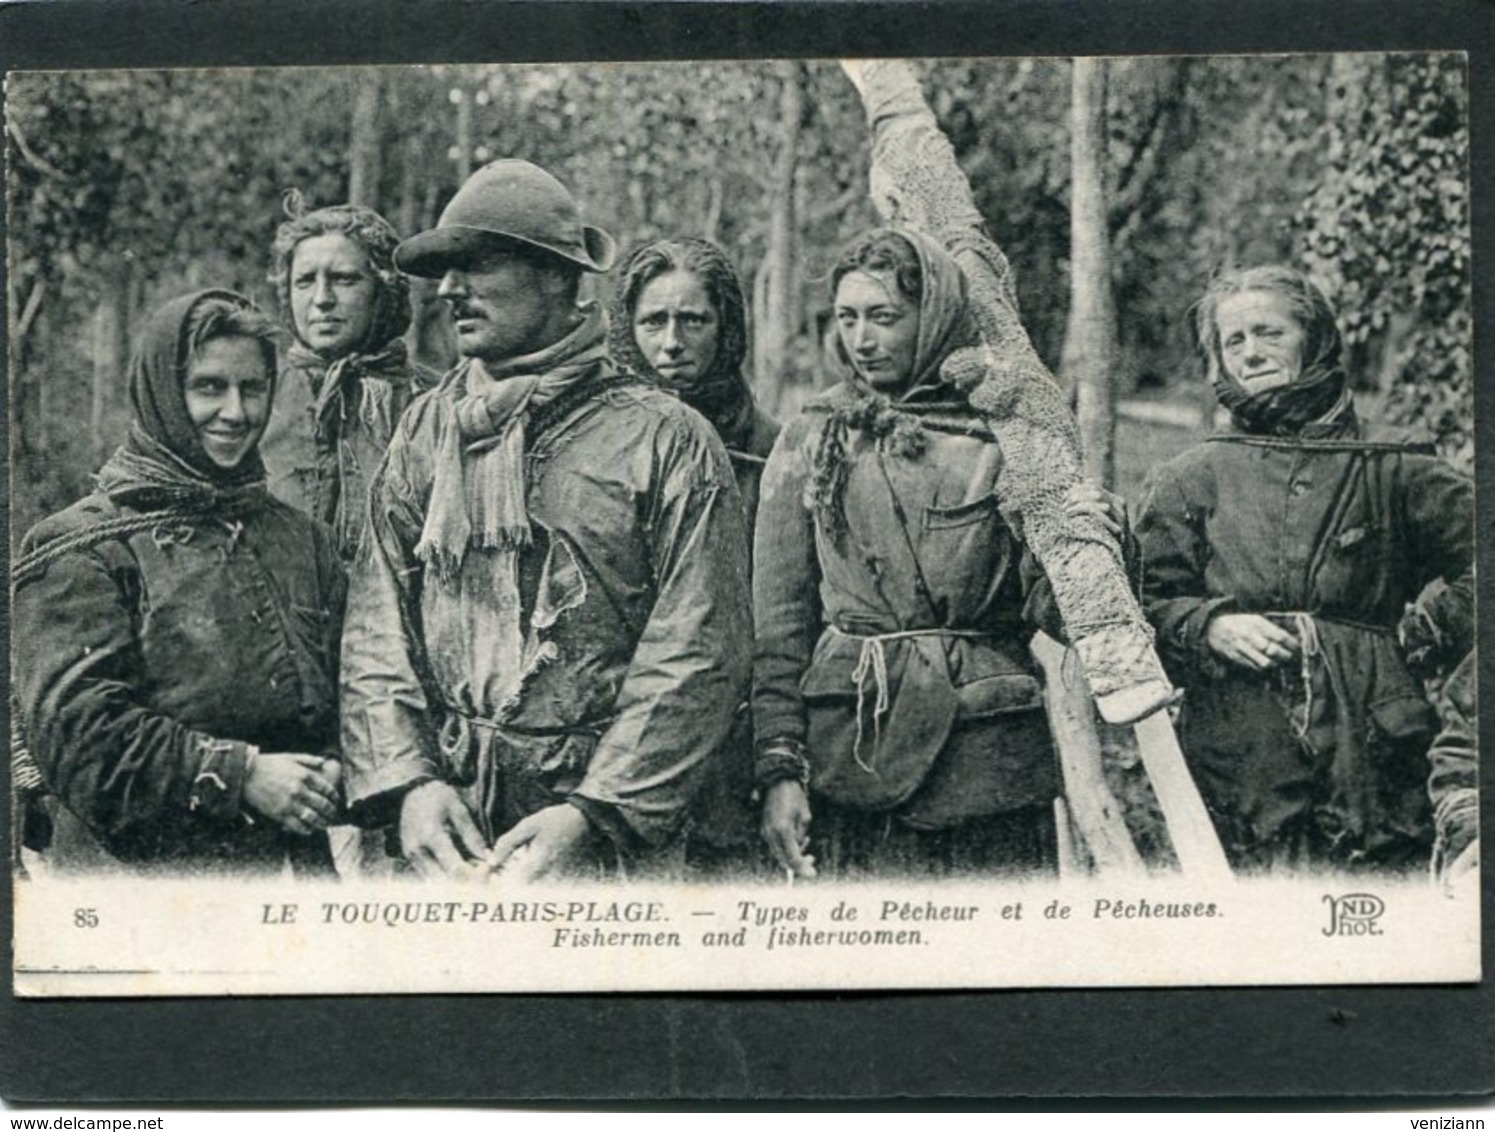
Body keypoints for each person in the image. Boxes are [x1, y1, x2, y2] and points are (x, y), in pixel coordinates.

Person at [751, 69, 1127, 879]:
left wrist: (1091, 534)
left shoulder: (1006, 433)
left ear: (933, 317)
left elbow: (1055, 613)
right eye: (846, 319)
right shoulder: (811, 437)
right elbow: (778, 629)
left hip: (988, 760)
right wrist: (780, 768)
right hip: (857, 746)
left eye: (883, 317)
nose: (860, 339)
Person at [340, 160, 752, 881]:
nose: (449, 290)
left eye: (478, 264)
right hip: (450, 823)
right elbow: (377, 624)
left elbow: (698, 646)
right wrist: (411, 785)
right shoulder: (425, 428)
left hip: (599, 836)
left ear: (560, 279)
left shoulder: (667, 438)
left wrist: (594, 813)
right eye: (445, 270)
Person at [1135, 265, 1473, 872]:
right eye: (1233, 341)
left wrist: (1427, 633)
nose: (1252, 353)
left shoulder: (1391, 464)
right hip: (1240, 747)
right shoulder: (1193, 476)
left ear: (1313, 338)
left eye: (1269, 333)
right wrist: (1207, 625)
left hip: (1374, 747)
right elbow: (1140, 603)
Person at [12, 291, 346, 875]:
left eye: (253, 388)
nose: (236, 412)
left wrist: (340, 764)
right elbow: (84, 744)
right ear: (162, 393)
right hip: (141, 887)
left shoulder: (302, 541)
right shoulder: (87, 546)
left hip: (293, 879)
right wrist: (241, 776)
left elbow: (352, 691)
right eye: (209, 387)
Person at [611, 237, 779, 875]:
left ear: (726, 328)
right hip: (620, 738)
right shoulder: (604, 444)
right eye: (653, 322)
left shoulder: (770, 449)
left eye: (693, 321)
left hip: (731, 748)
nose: (672, 343)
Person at [261, 195, 439, 563]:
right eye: (305, 281)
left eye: (343, 279)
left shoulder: (433, 402)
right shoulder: (256, 396)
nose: (322, 299)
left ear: (383, 290)